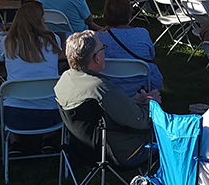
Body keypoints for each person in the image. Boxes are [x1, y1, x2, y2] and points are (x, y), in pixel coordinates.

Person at [54, 31, 156, 169]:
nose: (104, 52)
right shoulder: (101, 89)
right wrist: (150, 103)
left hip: (80, 150)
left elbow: (100, 112)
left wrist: (130, 102)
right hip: (119, 153)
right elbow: (140, 122)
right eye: (103, 48)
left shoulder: (64, 81)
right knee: (171, 140)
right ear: (96, 58)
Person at [97, 0, 164, 96]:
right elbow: (151, 55)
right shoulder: (142, 33)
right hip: (143, 87)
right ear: (129, 13)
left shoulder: (99, 38)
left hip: (110, 87)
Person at [2, 1, 62, 81]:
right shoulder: (53, 39)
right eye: (42, 16)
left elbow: (1, 57)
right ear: (38, 20)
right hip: (49, 91)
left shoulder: (7, 41)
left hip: (17, 92)